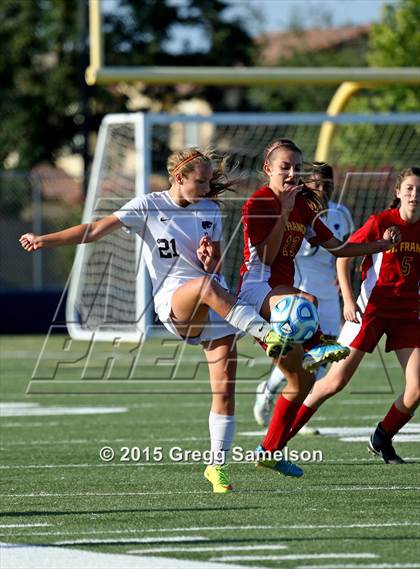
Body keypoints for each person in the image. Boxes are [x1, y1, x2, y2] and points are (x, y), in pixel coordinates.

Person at [19, 148, 289, 494]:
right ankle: (267, 333)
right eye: (201, 181)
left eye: (209, 181)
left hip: (214, 298)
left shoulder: (209, 210)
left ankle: (217, 467)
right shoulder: (148, 205)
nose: (208, 188)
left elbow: (214, 266)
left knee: (224, 391)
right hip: (176, 302)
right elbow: (94, 230)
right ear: (179, 178)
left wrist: (210, 257)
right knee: (206, 288)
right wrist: (44, 240)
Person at [238, 139, 401, 478]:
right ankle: (317, 342)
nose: (293, 173)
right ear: (269, 169)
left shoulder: (306, 207)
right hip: (256, 290)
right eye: (285, 167)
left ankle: (269, 451)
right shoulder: (259, 202)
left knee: (303, 380)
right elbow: (266, 259)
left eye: (297, 167)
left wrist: (381, 245)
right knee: (305, 303)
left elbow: (339, 249)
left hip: (280, 293)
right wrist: (283, 209)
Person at [282, 166, 420, 464]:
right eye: (409, 188)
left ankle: (381, 436)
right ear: (398, 192)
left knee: (416, 389)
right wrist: (348, 299)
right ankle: (280, 439)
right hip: (371, 311)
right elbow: (344, 255)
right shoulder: (381, 222)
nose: (414, 195)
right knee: (335, 382)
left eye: (419, 190)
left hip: (408, 313)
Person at [253, 162, 354, 428]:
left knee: (320, 361)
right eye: (316, 184)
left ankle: (297, 410)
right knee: (297, 358)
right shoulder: (299, 212)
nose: (322, 189)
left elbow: (344, 253)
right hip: (300, 293)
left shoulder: (341, 214)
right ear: (306, 185)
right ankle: (268, 390)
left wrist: (345, 294)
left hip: (330, 299)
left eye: (327, 185)